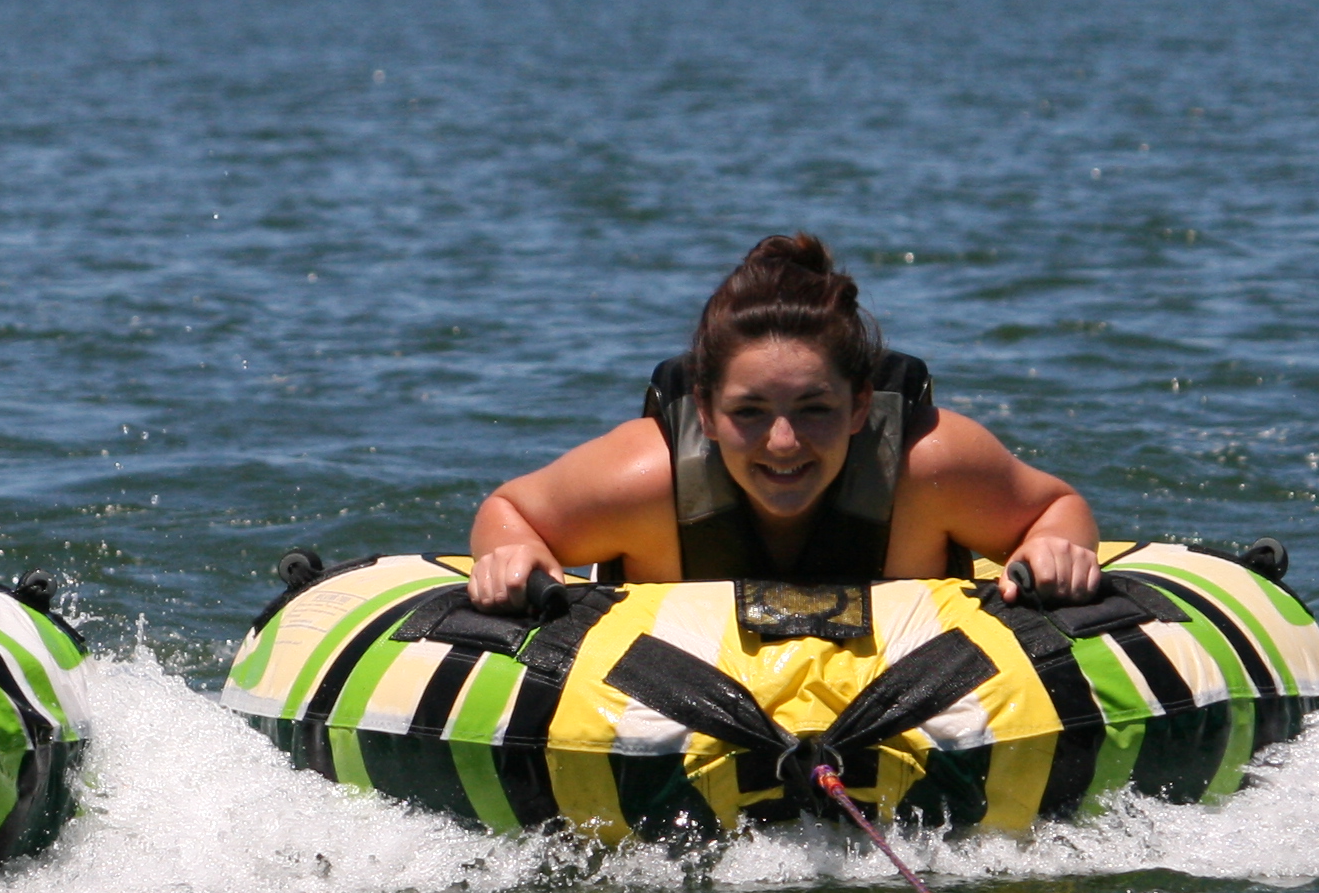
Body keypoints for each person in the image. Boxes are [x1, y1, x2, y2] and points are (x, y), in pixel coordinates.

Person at [466, 234, 1100, 612]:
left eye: (814, 409)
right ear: (707, 413)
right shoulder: (643, 481)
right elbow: (508, 510)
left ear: (859, 405)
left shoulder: (930, 469)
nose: (783, 442)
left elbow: (1057, 507)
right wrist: (514, 553)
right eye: (749, 412)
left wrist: (1050, 546)